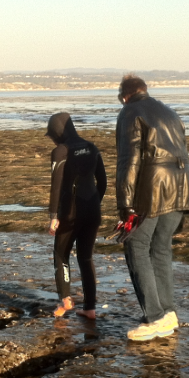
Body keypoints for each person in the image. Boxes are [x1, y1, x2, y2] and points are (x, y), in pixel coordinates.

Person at [114, 75, 189, 341]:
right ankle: (167, 313)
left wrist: (125, 205)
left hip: (151, 191)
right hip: (180, 187)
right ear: (143, 90)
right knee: (160, 248)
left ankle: (154, 317)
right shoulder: (170, 113)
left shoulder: (130, 112)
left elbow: (129, 161)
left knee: (136, 245)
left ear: (124, 95)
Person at [46, 112, 107, 319]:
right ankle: (90, 308)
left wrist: (54, 215)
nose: (53, 139)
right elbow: (103, 182)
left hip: (69, 214)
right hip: (92, 211)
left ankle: (65, 301)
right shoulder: (92, 147)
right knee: (85, 257)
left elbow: (56, 187)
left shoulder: (60, 151)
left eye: (53, 135)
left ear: (58, 132)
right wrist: (92, 205)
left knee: (61, 255)